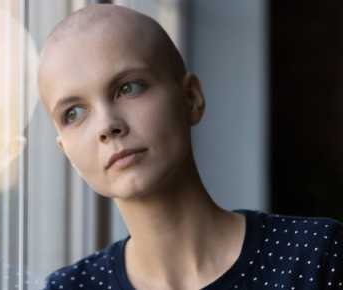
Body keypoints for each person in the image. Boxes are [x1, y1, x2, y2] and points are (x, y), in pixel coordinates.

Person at [37, 4, 343, 290]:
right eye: (74, 113)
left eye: (128, 88)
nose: (107, 126)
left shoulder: (317, 256)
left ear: (191, 98)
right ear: (66, 151)